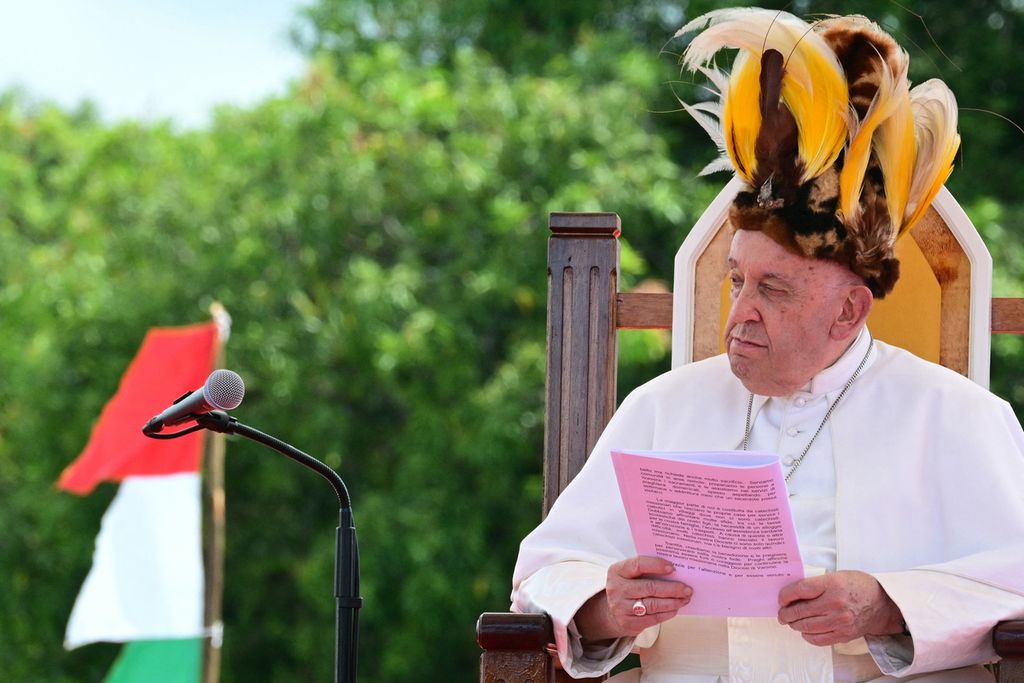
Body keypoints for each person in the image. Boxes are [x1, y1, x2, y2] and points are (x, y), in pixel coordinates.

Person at [511, 8, 1024, 683]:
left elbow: (1014, 583)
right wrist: (607, 607)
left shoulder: (958, 417)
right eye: (735, 280)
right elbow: (542, 580)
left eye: (774, 290)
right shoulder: (661, 408)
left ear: (849, 310)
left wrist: (890, 606)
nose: (740, 312)